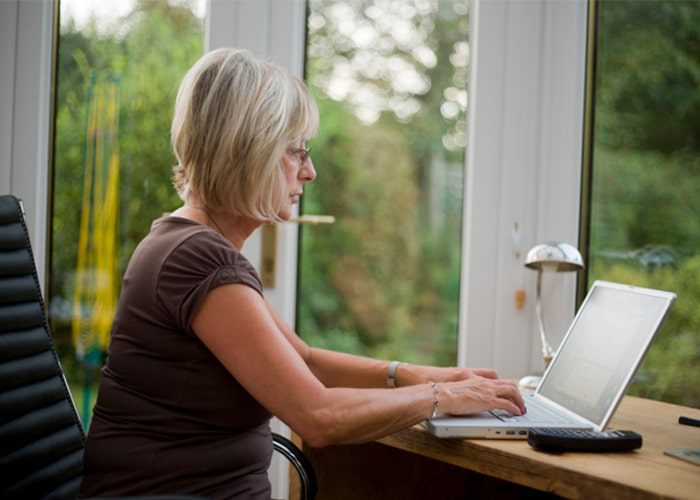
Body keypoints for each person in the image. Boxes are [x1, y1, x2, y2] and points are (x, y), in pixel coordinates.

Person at [80, 47, 525, 499]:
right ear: (249, 151)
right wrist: (441, 399)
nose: (309, 172)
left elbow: (306, 360)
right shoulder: (195, 258)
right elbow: (319, 416)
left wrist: (416, 374)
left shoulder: (191, 244)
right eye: (296, 151)